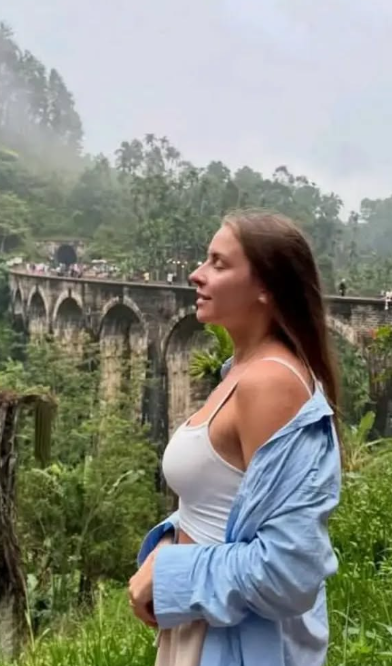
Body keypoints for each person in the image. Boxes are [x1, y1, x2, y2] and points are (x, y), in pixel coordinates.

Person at [128, 211, 342, 666]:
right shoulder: (239, 371)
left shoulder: (270, 384)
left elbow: (289, 572)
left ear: (266, 288)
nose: (196, 274)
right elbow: (221, 504)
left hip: (236, 643)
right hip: (204, 621)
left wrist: (170, 573)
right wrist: (168, 547)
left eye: (218, 263)